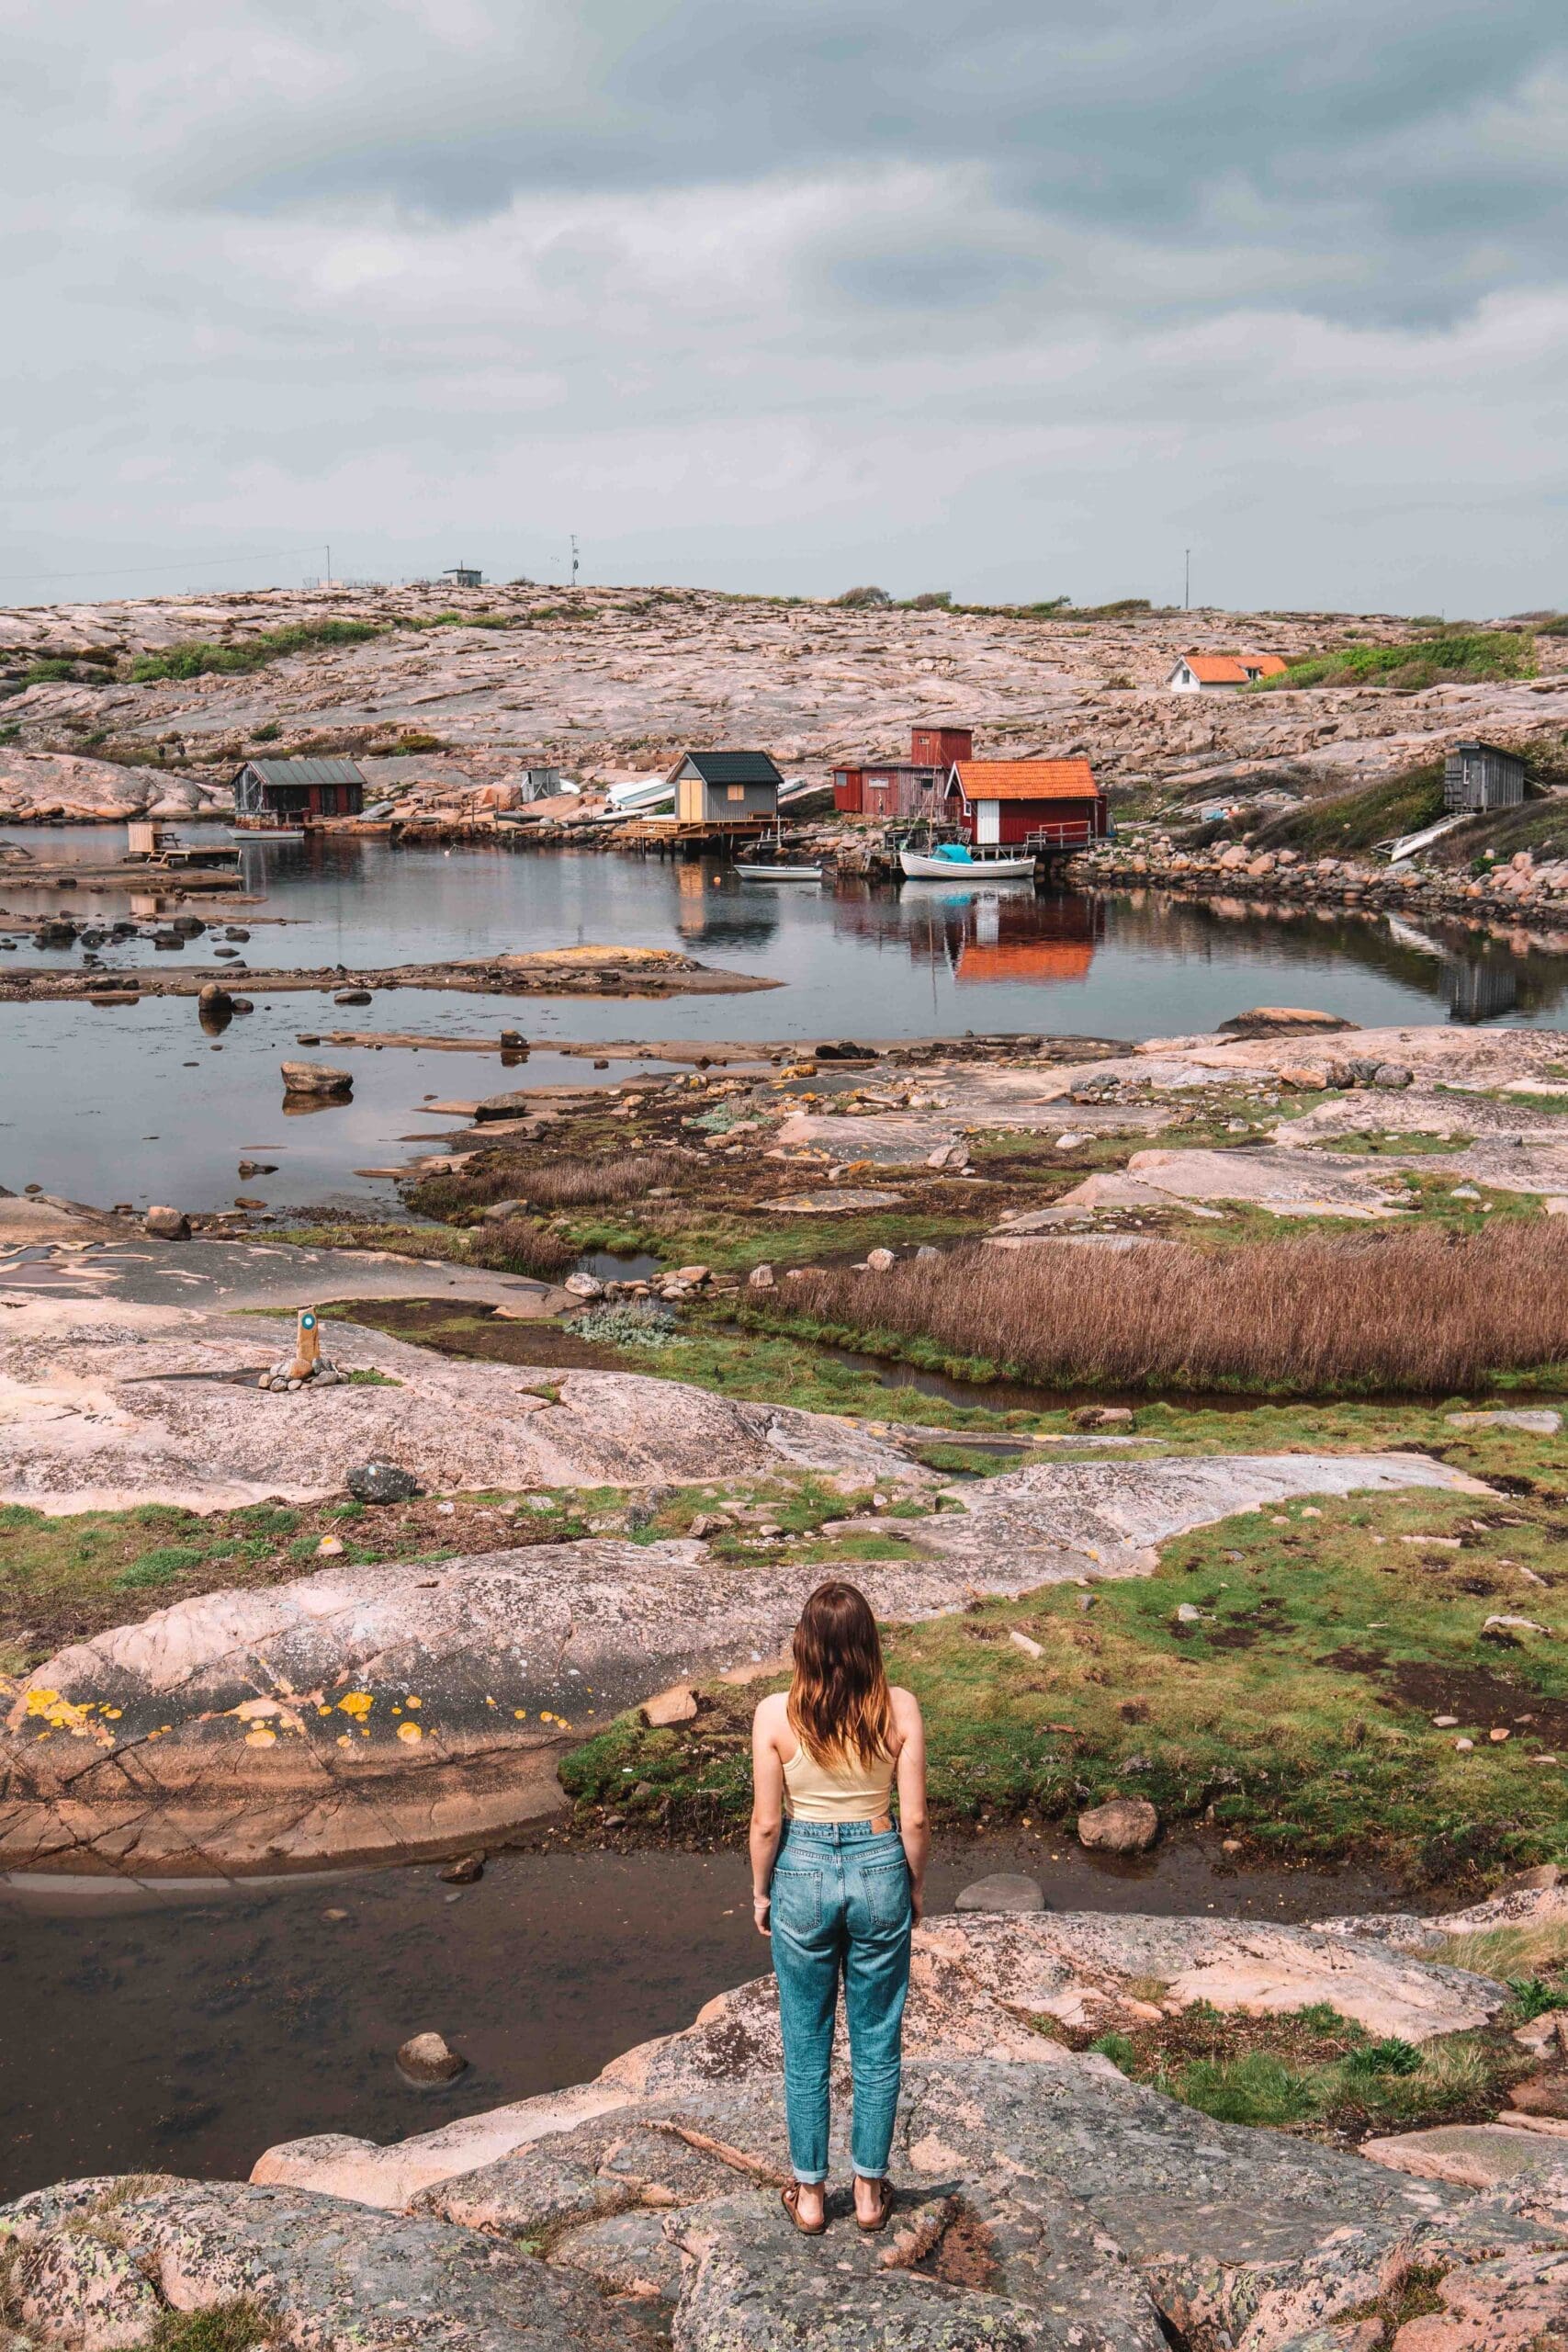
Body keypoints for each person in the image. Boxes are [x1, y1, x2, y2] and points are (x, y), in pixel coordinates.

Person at [750, 1578, 929, 2235]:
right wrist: (910, 1886)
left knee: (805, 2040)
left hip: (801, 1868)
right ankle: (868, 2193)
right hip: (880, 1860)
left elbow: (767, 1823)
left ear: (804, 1642)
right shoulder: (899, 1706)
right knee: (876, 2038)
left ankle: (808, 2196)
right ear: (866, 1642)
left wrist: (760, 1891)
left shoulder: (775, 1713)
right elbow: (912, 1817)